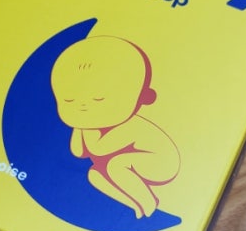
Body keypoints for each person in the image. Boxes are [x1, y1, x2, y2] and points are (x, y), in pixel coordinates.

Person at [51, 35, 180, 218]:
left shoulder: (130, 126)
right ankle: (139, 203)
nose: (83, 106)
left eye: (98, 99)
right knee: (94, 175)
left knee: (116, 166)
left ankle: (146, 199)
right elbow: (78, 152)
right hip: (128, 165)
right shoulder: (88, 125)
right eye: (69, 100)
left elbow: (99, 149)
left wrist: (84, 126)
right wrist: (78, 125)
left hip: (160, 162)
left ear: (141, 97)